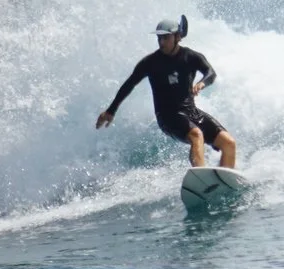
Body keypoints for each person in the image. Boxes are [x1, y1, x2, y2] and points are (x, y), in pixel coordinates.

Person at [95, 15, 238, 169]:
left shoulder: (190, 57)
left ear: (177, 37)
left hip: (191, 112)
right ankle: (200, 174)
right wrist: (111, 111)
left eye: (166, 38)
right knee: (196, 135)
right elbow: (129, 85)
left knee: (229, 143)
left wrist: (202, 83)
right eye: (159, 38)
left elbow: (210, 73)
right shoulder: (150, 62)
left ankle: (224, 178)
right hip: (167, 116)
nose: (161, 42)